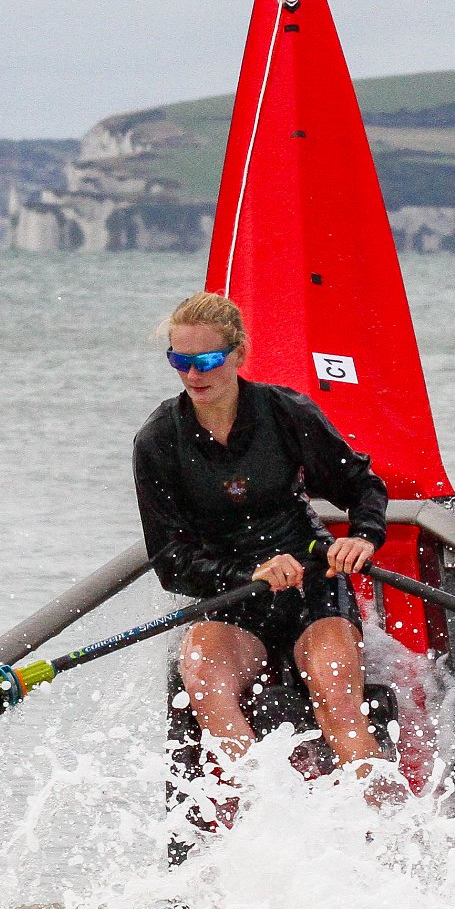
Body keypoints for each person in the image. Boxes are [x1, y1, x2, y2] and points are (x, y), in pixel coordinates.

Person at [133, 291, 390, 788]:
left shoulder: (286, 412)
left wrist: (362, 536)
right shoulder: (158, 440)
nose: (193, 375)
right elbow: (169, 562)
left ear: (239, 354)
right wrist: (246, 574)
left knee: (339, 702)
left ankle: (388, 843)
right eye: (179, 361)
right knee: (203, 679)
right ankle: (269, 827)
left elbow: (362, 486)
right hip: (232, 595)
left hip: (311, 582)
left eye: (206, 360)